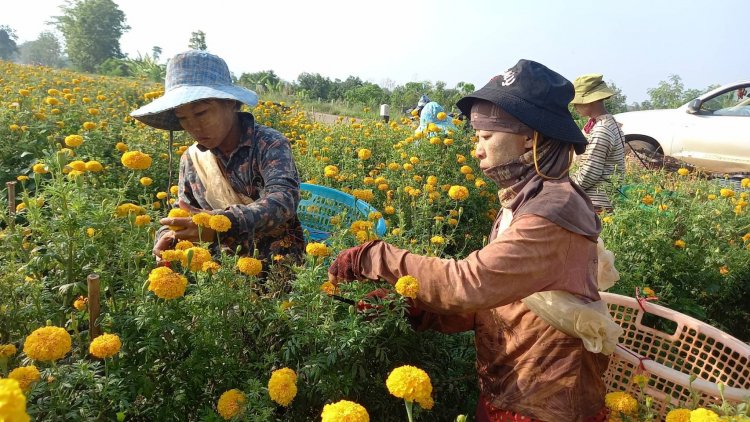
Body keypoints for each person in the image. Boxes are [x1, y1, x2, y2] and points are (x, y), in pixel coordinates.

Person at [328, 60, 617, 421]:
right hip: (513, 387)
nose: (477, 150)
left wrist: (376, 257)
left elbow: (469, 283)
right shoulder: (528, 197)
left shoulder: (551, 211)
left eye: (486, 137)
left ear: (531, 137)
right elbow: (496, 299)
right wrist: (414, 303)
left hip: (547, 400)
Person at [130, 50, 305, 266]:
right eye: (183, 118)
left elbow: (283, 200)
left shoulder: (268, 144)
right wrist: (168, 233)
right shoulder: (191, 159)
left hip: (275, 266)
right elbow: (183, 208)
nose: (193, 127)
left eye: (201, 113)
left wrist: (220, 225)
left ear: (230, 103)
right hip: (218, 272)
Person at [569, 74, 626, 212]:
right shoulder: (607, 123)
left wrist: (566, 188)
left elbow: (590, 172)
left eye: (578, 102)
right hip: (605, 197)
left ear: (591, 101)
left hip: (597, 202)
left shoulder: (602, 130)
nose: (575, 106)